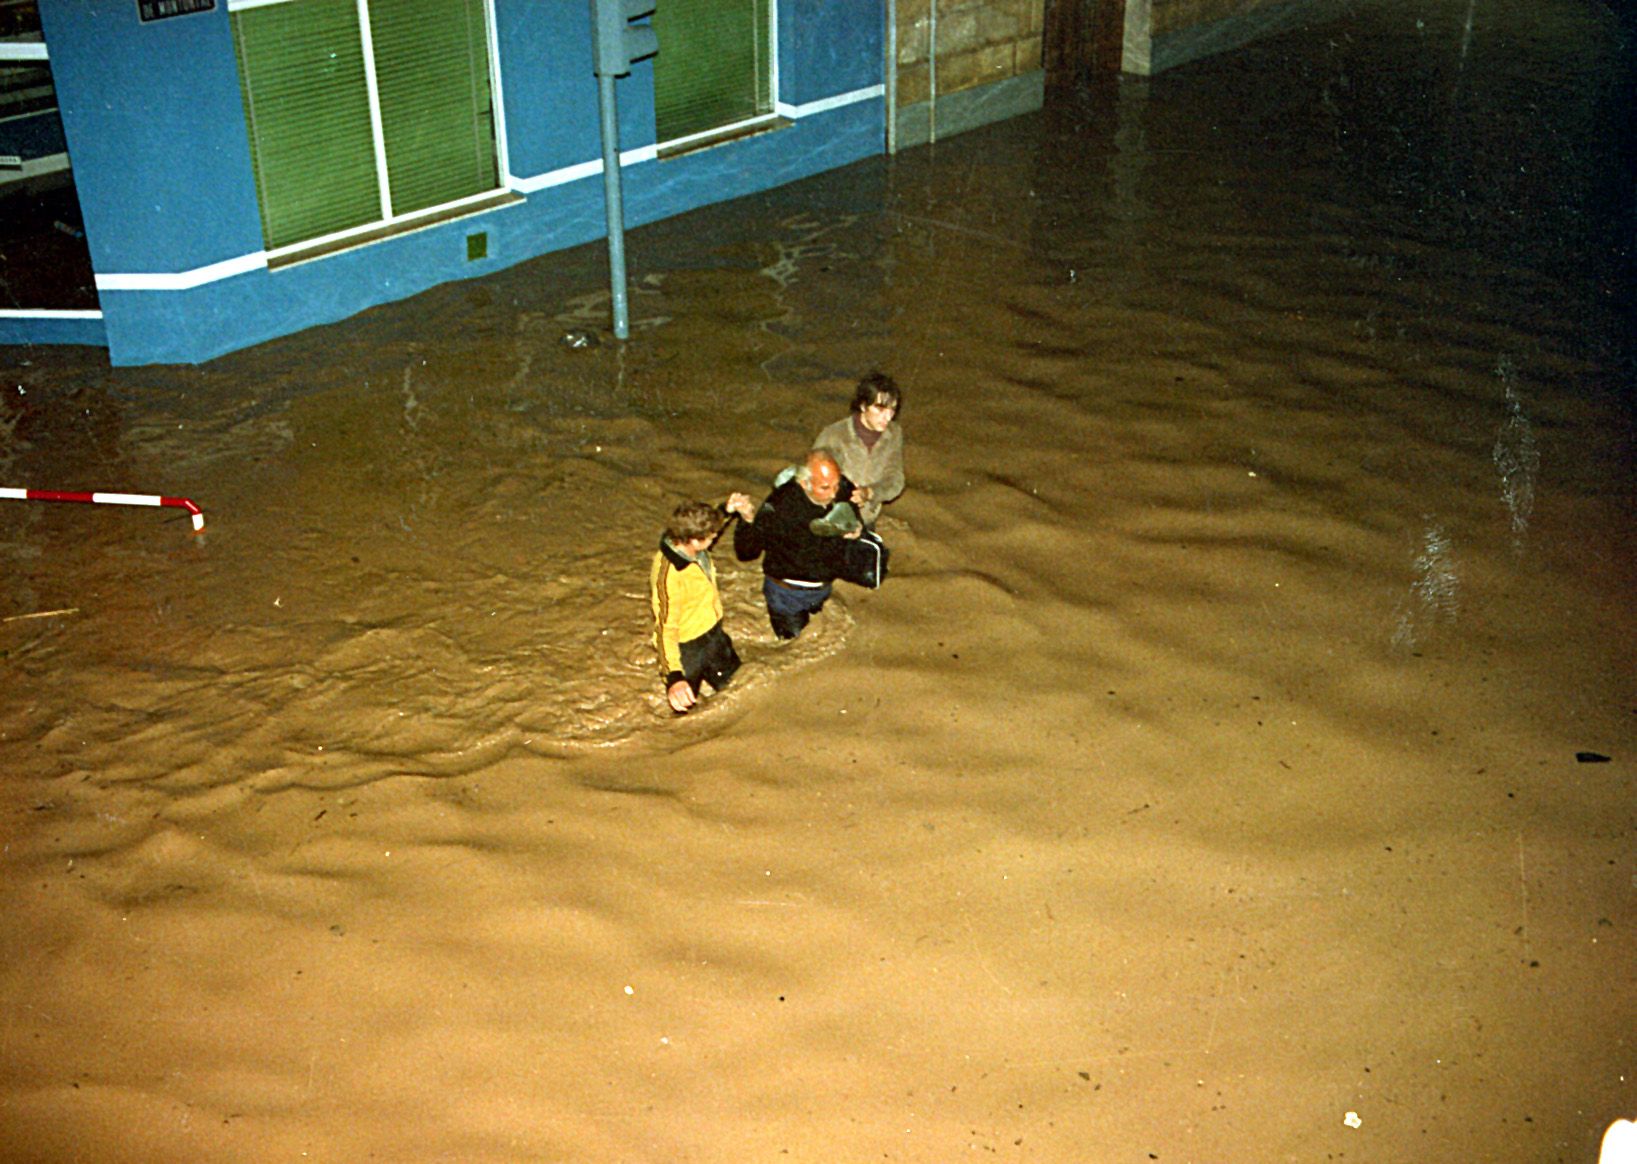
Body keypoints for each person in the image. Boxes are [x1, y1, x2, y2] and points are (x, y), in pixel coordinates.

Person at [728, 450, 859, 640]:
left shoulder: (839, 487)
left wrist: (856, 522)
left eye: (836, 485)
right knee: (794, 643)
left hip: (822, 587)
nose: (833, 494)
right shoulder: (780, 507)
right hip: (788, 595)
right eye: (824, 488)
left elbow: (850, 497)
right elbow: (747, 552)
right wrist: (747, 518)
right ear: (804, 483)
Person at [650, 498, 747, 714]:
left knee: (739, 687)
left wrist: (726, 509)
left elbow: (712, 523)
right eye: (711, 538)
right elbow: (664, 630)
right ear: (694, 541)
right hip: (689, 650)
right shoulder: (669, 576)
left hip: (714, 635)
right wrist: (674, 677)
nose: (714, 540)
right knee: (684, 709)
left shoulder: (688, 541)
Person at [813, 371, 904, 528]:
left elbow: (895, 479)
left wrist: (869, 493)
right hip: (831, 520)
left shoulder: (893, 434)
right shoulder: (834, 435)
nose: (887, 418)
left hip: (868, 519)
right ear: (863, 406)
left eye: (892, 410)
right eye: (880, 409)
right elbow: (812, 480)